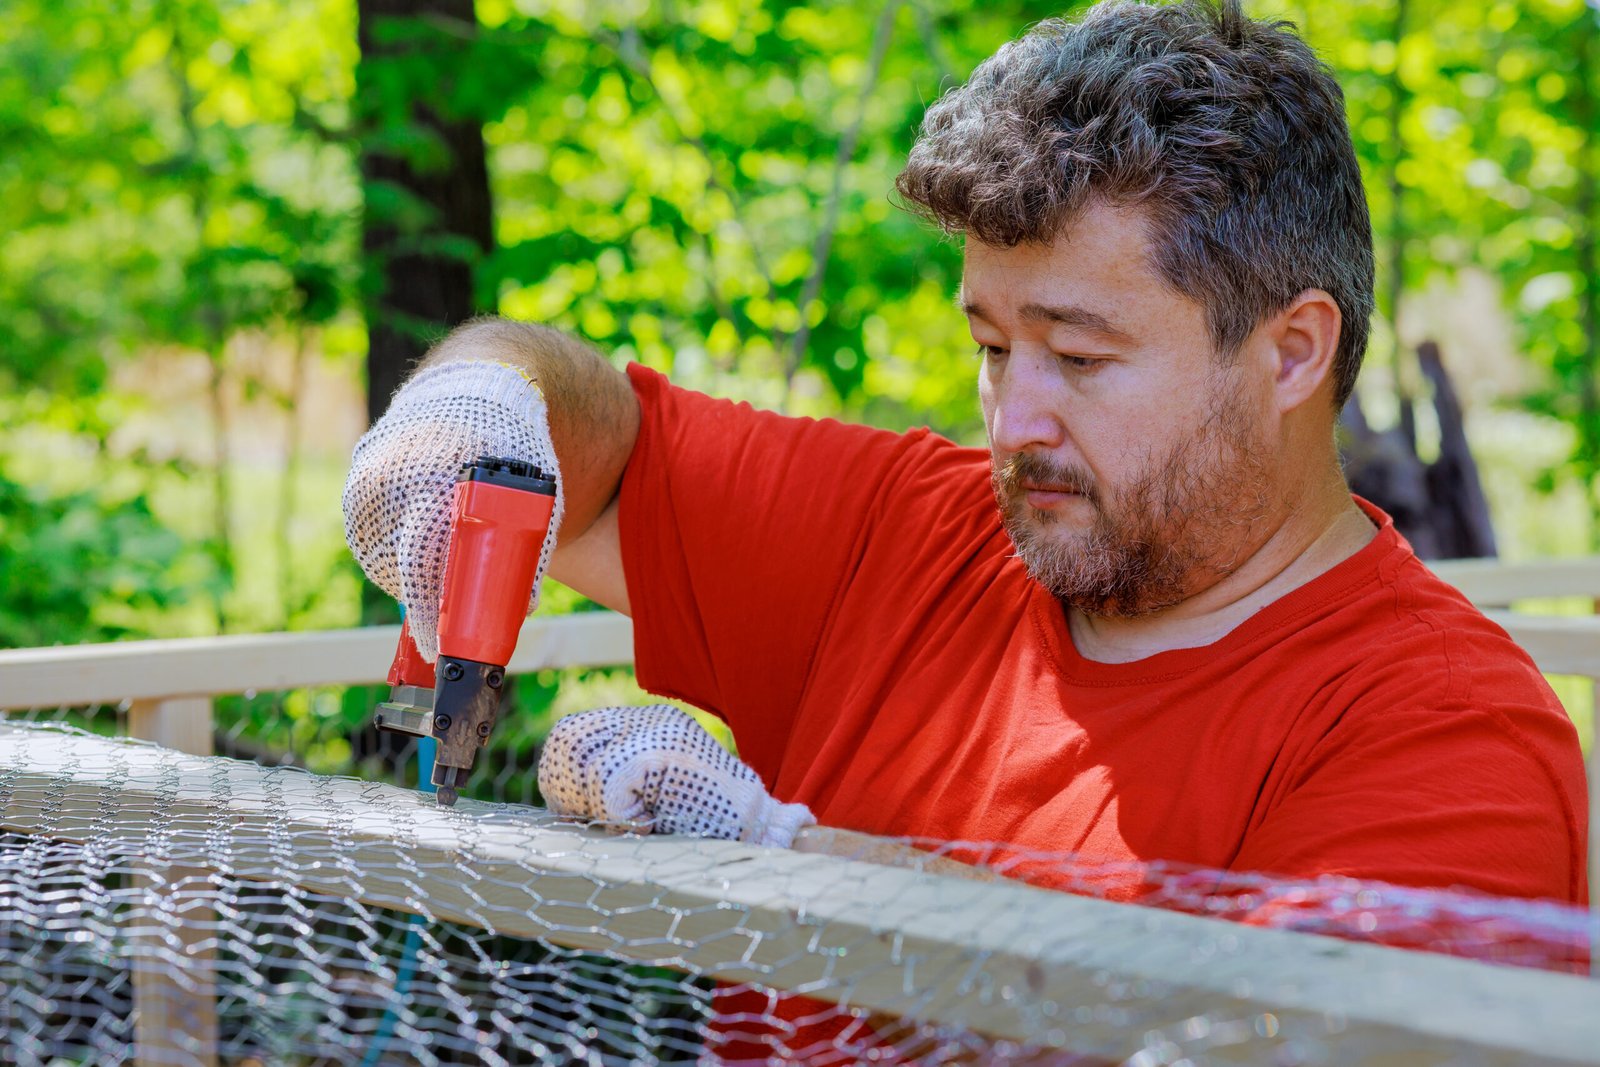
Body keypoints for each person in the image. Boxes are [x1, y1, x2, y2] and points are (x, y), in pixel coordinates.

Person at [343, 0, 1588, 1034]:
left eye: (1080, 357)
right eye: (992, 346)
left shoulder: (1447, 738)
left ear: (1290, 353)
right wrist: (478, 397)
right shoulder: (908, 527)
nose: (1012, 421)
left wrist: (808, 868)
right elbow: (601, 450)